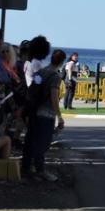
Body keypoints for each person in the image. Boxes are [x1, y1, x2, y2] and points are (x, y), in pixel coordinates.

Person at [21, 48, 66, 181]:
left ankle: (26, 168)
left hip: (34, 111)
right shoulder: (55, 76)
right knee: (43, 143)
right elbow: (54, 97)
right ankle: (40, 170)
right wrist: (59, 116)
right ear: (62, 62)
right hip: (46, 113)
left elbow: (32, 90)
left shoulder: (41, 72)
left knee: (30, 141)